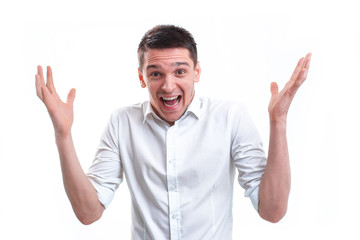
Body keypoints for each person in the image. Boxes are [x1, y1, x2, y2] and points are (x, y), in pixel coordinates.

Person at [35, 25, 311, 239]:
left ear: (196, 73)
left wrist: (279, 121)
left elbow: (272, 212)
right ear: (142, 77)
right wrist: (63, 135)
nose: (168, 86)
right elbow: (88, 212)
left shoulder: (230, 116)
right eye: (155, 73)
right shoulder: (122, 122)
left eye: (180, 71)